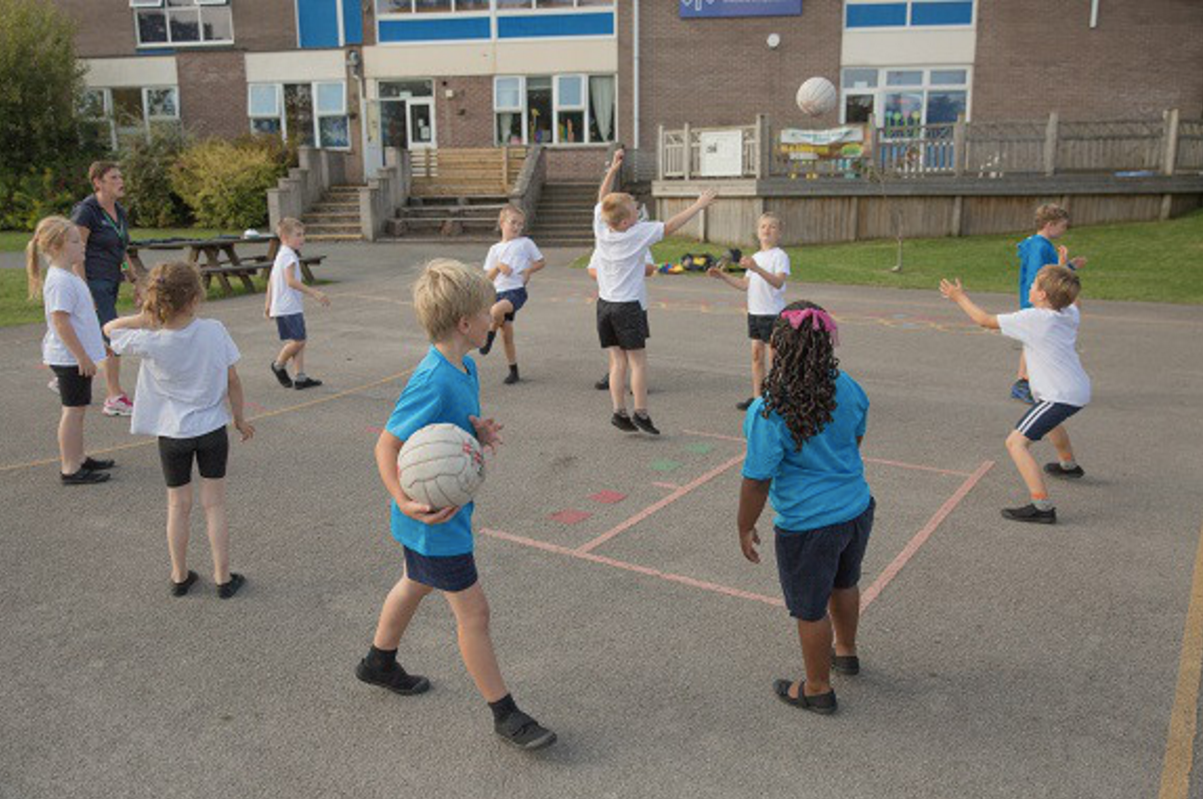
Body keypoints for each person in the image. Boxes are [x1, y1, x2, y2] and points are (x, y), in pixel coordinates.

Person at [355, 259, 555, 751]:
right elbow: (386, 444)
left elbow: (443, 429)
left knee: (416, 581)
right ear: (466, 324)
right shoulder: (433, 380)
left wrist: (475, 431)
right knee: (474, 614)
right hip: (433, 518)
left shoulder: (464, 367)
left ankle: (379, 662)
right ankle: (505, 713)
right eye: (488, 312)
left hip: (441, 512)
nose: (495, 317)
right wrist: (402, 500)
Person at [738, 301, 873, 716]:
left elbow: (757, 478)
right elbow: (855, 439)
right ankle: (845, 651)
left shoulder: (769, 409)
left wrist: (744, 525)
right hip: (856, 509)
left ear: (778, 347)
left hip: (808, 525)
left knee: (810, 609)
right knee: (845, 583)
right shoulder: (847, 387)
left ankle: (817, 689)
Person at [105, 262, 255, 597]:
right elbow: (232, 380)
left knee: (177, 505)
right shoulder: (214, 330)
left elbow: (109, 329)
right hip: (211, 429)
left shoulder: (150, 340)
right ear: (195, 298)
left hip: (173, 433)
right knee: (214, 505)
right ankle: (223, 577)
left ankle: (179, 575)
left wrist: (145, 318)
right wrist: (239, 418)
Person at [940, 266, 1089, 524]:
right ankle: (1069, 466)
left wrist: (959, 297)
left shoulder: (1035, 318)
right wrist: (1066, 268)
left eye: (1034, 284)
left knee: (1016, 443)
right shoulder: (1067, 312)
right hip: (1074, 389)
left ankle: (1042, 506)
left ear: (1042, 295)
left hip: (1060, 394)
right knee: (1051, 422)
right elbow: (1076, 301)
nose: (1030, 286)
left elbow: (984, 320)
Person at [594, 148, 715, 434]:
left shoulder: (602, 226)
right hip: (628, 307)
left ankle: (619, 411)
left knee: (617, 362)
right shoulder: (637, 233)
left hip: (605, 305)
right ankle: (641, 413)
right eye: (634, 209)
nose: (638, 210)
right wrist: (698, 205)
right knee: (638, 362)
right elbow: (670, 226)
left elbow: (602, 198)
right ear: (626, 221)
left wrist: (613, 170)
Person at [27, 216, 114, 485]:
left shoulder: (70, 276)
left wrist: (97, 344)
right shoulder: (60, 281)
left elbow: (82, 319)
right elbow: (61, 322)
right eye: (75, 242)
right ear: (56, 247)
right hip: (68, 358)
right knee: (73, 411)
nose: (82, 245)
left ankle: (79, 457)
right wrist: (82, 356)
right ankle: (70, 468)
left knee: (79, 409)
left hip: (76, 356)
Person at [71, 161, 137, 417]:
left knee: (93, 333)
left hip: (111, 281)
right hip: (94, 281)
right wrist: (84, 290)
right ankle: (114, 397)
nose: (121, 181)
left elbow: (120, 250)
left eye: (121, 176)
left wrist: (134, 279)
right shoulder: (87, 211)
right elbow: (75, 252)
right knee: (113, 335)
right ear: (98, 182)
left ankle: (69, 373)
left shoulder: (119, 211)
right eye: (114, 178)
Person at [708, 212, 791, 410]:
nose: (767, 230)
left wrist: (756, 269)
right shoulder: (755, 257)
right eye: (763, 226)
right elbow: (745, 284)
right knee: (756, 356)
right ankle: (757, 397)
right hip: (755, 313)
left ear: (779, 233)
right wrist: (722, 276)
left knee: (775, 358)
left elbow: (778, 282)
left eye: (772, 227)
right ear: (758, 232)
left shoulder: (780, 256)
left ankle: (776, 397)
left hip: (773, 313)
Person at [1011, 204, 1086, 403]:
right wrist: (1062, 267)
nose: (1064, 230)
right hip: (1039, 301)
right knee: (1033, 341)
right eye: (1062, 226)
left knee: (1033, 340)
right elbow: (1042, 275)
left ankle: (1026, 381)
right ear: (1050, 224)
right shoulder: (1040, 246)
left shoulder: (1040, 244)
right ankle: (1023, 382)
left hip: (1041, 298)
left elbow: (1050, 272)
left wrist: (1069, 266)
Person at [478, 205, 545, 385]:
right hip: (498, 292)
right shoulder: (495, 249)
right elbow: (488, 278)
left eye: (520, 224)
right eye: (513, 222)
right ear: (502, 223)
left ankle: (489, 336)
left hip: (516, 291)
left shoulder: (525, 243)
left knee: (495, 311)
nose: (517, 227)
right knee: (507, 335)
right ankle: (513, 370)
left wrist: (528, 270)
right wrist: (498, 267)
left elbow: (541, 262)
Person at [266, 218, 330, 390]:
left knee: (299, 339)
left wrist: (268, 303)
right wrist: (315, 293)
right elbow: (290, 281)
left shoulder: (282, 253)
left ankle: (300, 377)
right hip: (289, 307)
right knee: (299, 341)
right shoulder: (288, 256)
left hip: (285, 306)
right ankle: (278, 365)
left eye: (303, 234)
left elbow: (272, 280)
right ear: (285, 238)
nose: (302, 238)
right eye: (298, 235)